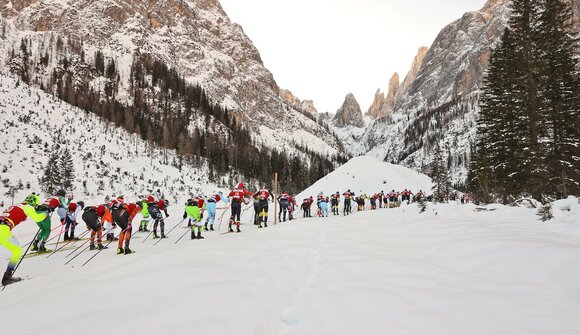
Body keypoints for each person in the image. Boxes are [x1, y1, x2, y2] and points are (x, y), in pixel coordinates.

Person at [0, 195, 47, 285]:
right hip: (3, 229)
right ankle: (7, 276)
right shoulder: (28, 207)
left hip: (2, 225)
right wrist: (46, 212)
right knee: (17, 251)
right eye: (35, 205)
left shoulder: (15, 205)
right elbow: (38, 218)